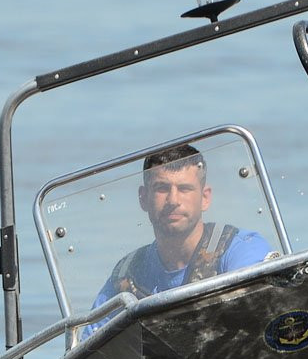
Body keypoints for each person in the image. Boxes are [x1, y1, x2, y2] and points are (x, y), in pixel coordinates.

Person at [81, 144, 274, 339]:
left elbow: (264, 319)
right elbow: (88, 343)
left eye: (184, 189)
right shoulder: (127, 274)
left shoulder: (241, 250)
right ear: (143, 198)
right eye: (162, 188)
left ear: (205, 198)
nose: (173, 200)